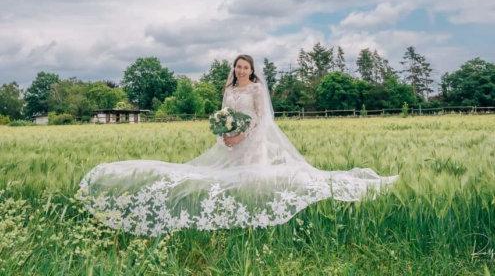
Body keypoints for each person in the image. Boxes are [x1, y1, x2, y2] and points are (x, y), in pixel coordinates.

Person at [77, 54, 398, 237]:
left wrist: (243, 135)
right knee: (226, 179)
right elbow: (224, 113)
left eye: (246, 67)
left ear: (252, 70)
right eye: (238, 66)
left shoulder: (257, 89)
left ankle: (252, 217)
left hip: (253, 138)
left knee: (252, 179)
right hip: (231, 140)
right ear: (234, 69)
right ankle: (230, 212)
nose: (241, 70)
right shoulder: (228, 88)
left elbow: (261, 118)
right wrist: (224, 135)